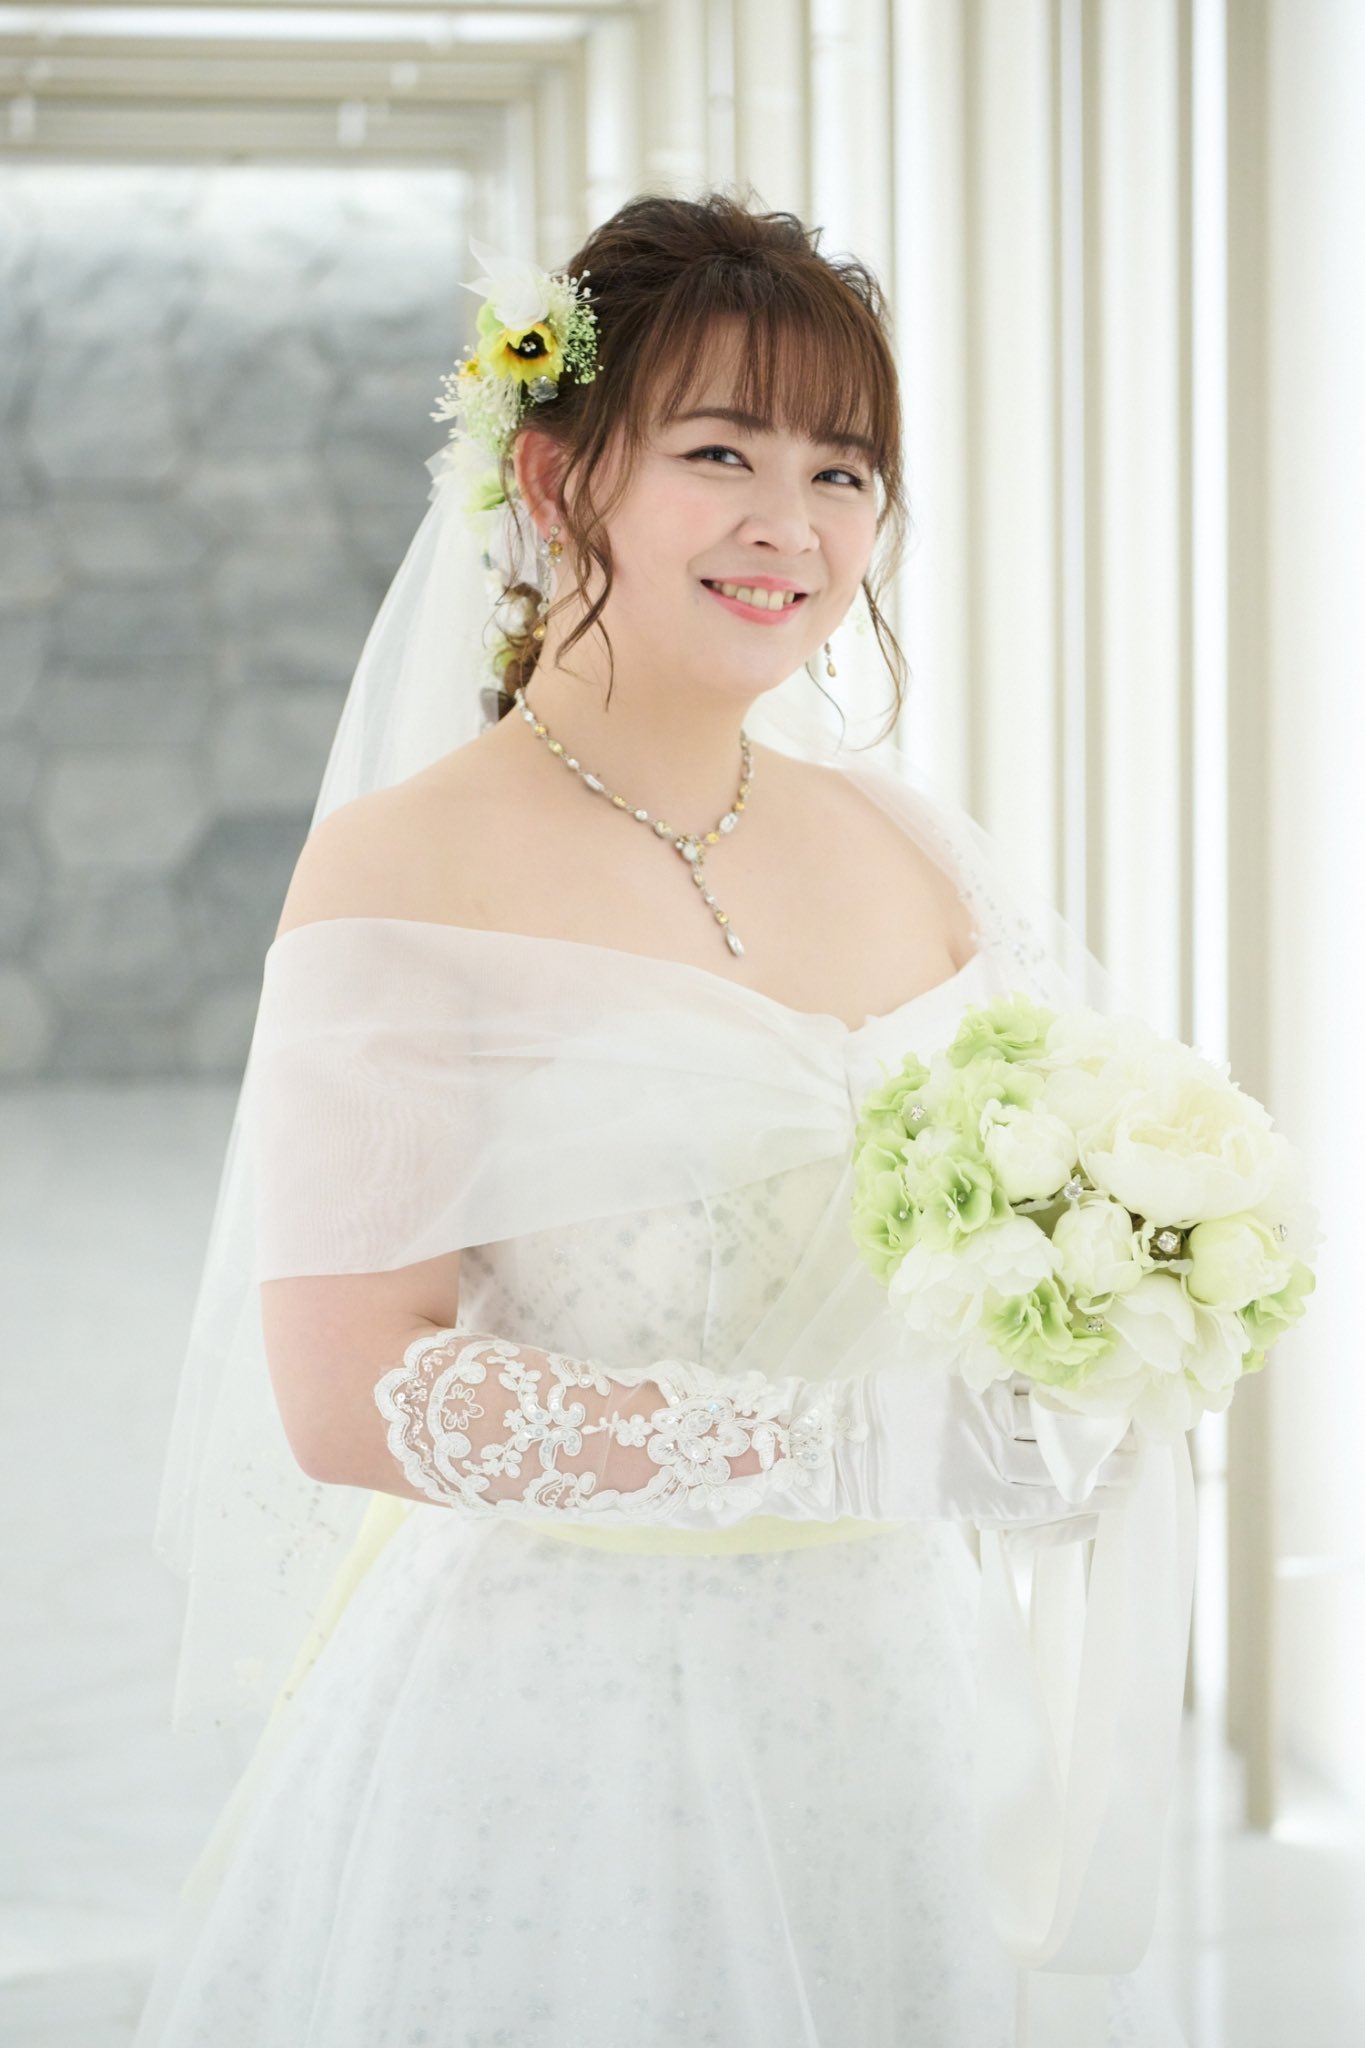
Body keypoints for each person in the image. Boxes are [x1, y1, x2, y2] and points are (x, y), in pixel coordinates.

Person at [133, 191, 1194, 2046]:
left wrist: (1090, 1380)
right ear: (558, 479)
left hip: (894, 1705)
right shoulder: (407, 866)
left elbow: (1076, 1195)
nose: (793, 524)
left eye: (841, 470)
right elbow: (347, 1390)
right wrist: (833, 1448)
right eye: (720, 453)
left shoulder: (911, 846)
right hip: (565, 1726)